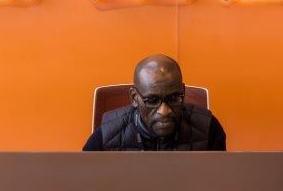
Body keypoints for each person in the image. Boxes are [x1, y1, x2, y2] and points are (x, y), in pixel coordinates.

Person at [83, 55, 226, 151]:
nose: (165, 110)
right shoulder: (107, 134)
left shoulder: (209, 129)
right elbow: (82, 186)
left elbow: (222, 187)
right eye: (152, 100)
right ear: (134, 97)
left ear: (183, 92)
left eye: (174, 98)